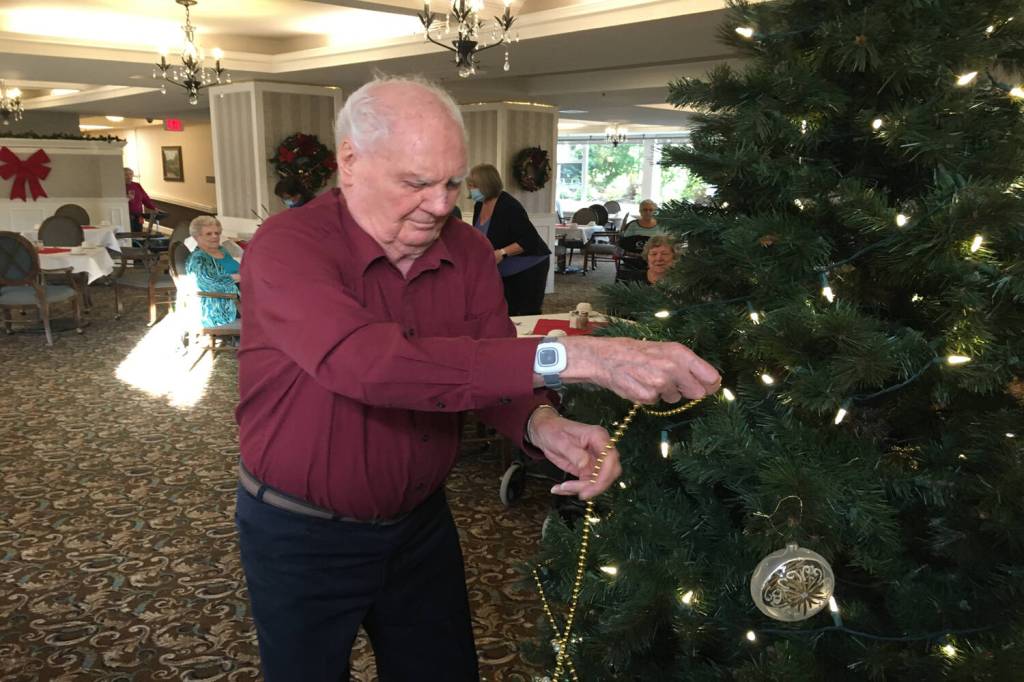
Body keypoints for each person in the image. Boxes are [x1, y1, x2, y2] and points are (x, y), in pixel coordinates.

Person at [234, 75, 721, 682]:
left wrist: (541, 423)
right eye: (416, 183)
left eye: (452, 183)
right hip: (300, 531)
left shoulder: (464, 249)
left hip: (420, 525)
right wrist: (580, 356)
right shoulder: (288, 245)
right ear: (350, 163)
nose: (441, 205)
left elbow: (490, 361)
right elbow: (370, 365)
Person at [467, 163, 551, 315]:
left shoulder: (508, 206)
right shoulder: (479, 205)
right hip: (504, 269)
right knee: (504, 312)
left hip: (529, 266)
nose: (470, 189)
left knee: (524, 314)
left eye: (473, 186)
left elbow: (529, 240)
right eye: (470, 185)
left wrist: (502, 253)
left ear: (486, 185)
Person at [185, 215, 240, 327]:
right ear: (196, 237)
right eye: (209, 234)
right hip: (221, 305)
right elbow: (207, 283)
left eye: (217, 233)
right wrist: (237, 278)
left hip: (240, 293)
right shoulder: (198, 258)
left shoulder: (221, 250)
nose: (215, 236)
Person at [124, 167, 156, 232]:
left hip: (139, 215)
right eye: (126, 174)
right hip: (127, 216)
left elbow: (145, 198)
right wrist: (126, 199)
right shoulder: (119, 186)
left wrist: (153, 208)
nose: (129, 176)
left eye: (130, 174)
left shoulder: (137, 185)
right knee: (130, 234)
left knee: (139, 233)